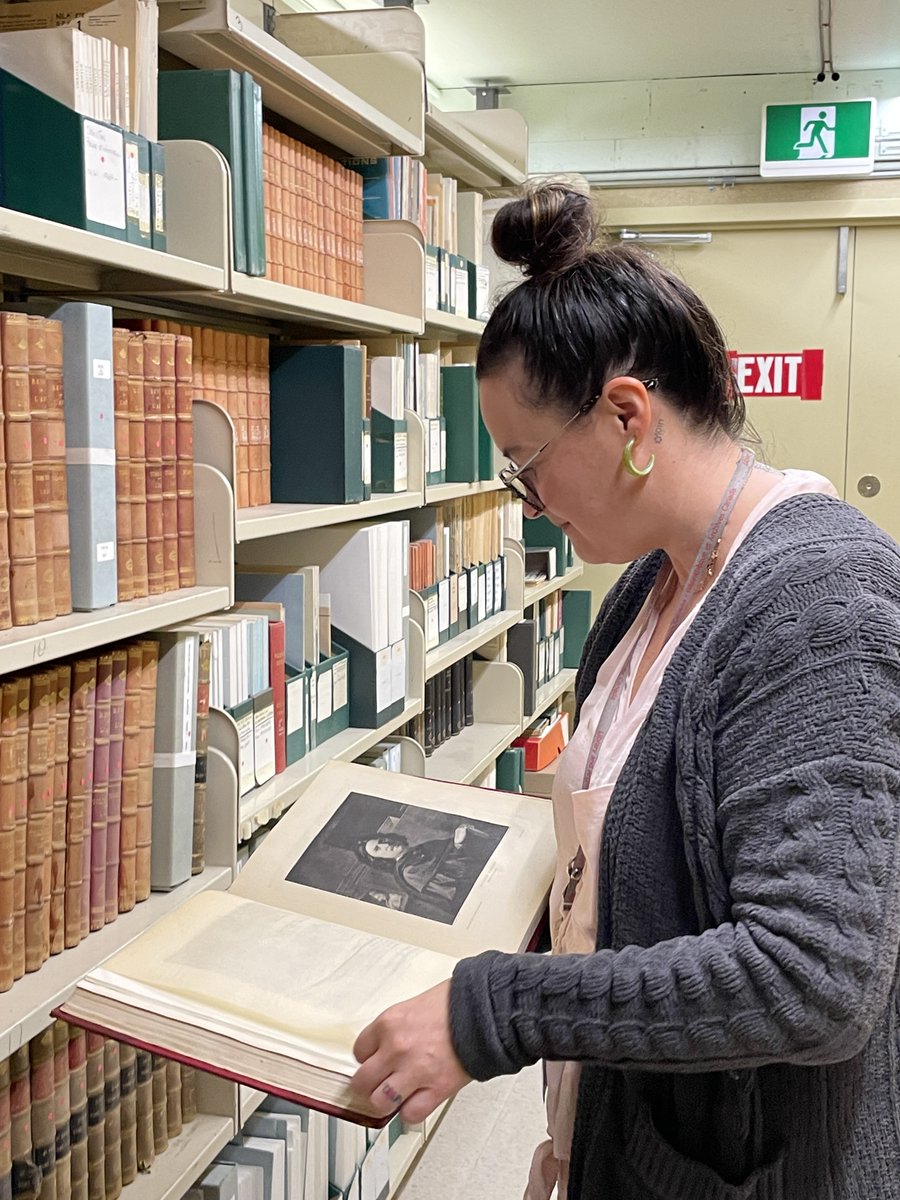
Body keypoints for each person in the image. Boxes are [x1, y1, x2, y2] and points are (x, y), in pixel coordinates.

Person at [349, 183, 900, 1199]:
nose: (528, 503)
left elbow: (814, 978)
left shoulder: (823, 602)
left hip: (759, 1169)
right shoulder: (651, 584)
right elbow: (624, 877)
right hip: (642, 1135)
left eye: (525, 467)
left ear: (627, 415)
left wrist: (500, 1011)